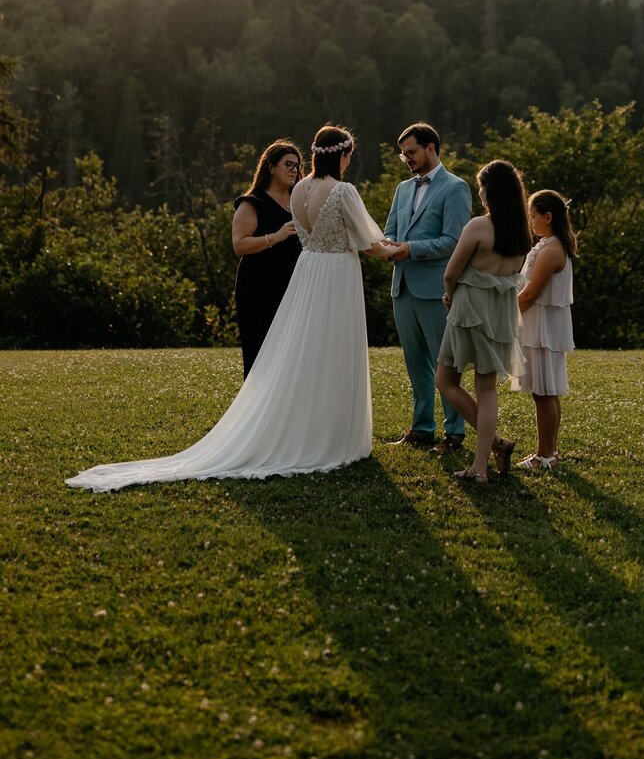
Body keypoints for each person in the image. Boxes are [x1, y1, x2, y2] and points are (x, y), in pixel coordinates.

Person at [66, 125, 397, 492]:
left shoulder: (301, 190)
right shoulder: (342, 190)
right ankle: (333, 437)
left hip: (308, 274)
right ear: (343, 155)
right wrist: (397, 251)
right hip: (335, 275)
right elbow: (369, 242)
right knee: (333, 350)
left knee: (305, 352)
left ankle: (308, 428)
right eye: (349, 156)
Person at [435, 160, 530, 484]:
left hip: (469, 311)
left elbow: (451, 273)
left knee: (446, 380)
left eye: (481, 188)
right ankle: (491, 451)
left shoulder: (479, 226)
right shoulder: (521, 234)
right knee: (486, 389)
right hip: (500, 314)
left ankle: (482, 464)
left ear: (491, 192)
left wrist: (450, 297)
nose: (480, 194)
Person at [384, 122, 472, 453]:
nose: (406, 158)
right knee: (414, 363)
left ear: (430, 148)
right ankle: (422, 428)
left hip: (436, 289)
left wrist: (411, 249)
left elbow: (454, 241)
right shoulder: (402, 189)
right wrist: (386, 244)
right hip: (403, 287)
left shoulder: (456, 188)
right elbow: (391, 229)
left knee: (444, 363)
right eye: (403, 154)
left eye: (411, 152)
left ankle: (454, 433)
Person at [512, 189, 577, 471]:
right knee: (545, 391)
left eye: (533, 216)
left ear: (548, 217)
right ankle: (549, 451)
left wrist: (501, 314)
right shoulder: (547, 245)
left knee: (544, 392)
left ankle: (546, 455)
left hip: (543, 329)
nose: (531, 222)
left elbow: (530, 294)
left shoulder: (552, 250)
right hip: (538, 326)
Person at [232, 140, 303, 379]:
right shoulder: (252, 202)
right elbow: (239, 244)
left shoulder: (299, 202)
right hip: (258, 287)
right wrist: (275, 236)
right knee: (260, 350)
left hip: (293, 285)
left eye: (297, 165)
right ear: (271, 167)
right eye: (288, 164)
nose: (294, 169)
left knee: (292, 352)